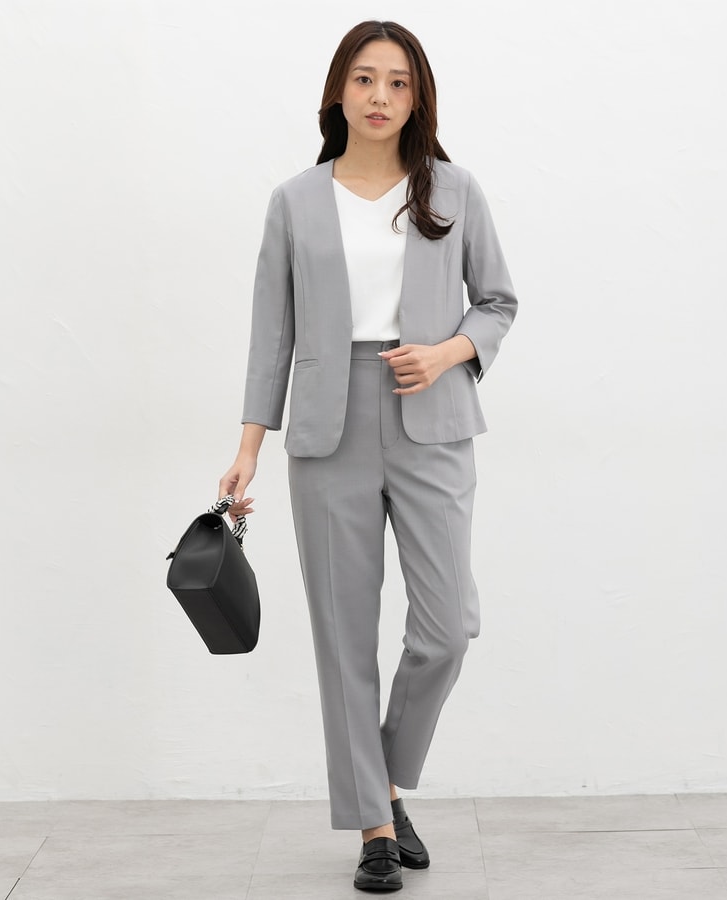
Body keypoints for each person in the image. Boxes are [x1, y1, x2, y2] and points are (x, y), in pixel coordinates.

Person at [219, 20, 517, 892]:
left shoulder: (454, 190)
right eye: (363, 79)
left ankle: (379, 777)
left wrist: (449, 352)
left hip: (433, 416)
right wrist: (248, 448)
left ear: (417, 97)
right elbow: (270, 333)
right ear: (338, 92)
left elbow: (497, 301)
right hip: (327, 428)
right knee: (343, 632)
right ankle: (375, 829)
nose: (380, 96)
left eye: (397, 81)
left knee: (447, 628)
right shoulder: (295, 201)